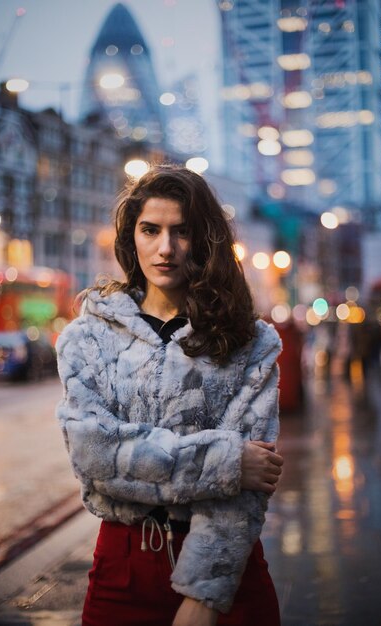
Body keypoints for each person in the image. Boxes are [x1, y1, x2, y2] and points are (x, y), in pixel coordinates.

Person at [56, 164, 284, 626]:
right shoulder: (87, 337)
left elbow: (248, 492)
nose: (165, 248)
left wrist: (204, 595)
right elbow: (95, 455)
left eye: (182, 231)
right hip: (123, 569)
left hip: (227, 572)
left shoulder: (249, 342)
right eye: (150, 230)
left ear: (205, 240)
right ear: (130, 237)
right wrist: (228, 463)